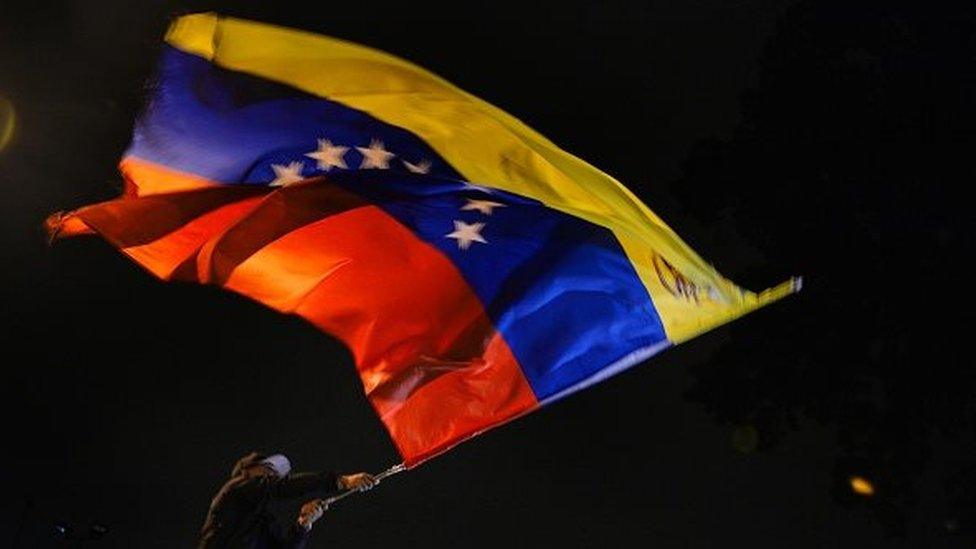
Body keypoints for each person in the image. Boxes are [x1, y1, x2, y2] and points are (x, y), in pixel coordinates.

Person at [198, 451, 377, 548]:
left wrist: (303, 524)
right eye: (269, 470)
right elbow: (278, 488)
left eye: (276, 474)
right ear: (249, 471)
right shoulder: (234, 490)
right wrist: (341, 481)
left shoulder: (264, 522)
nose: (273, 476)